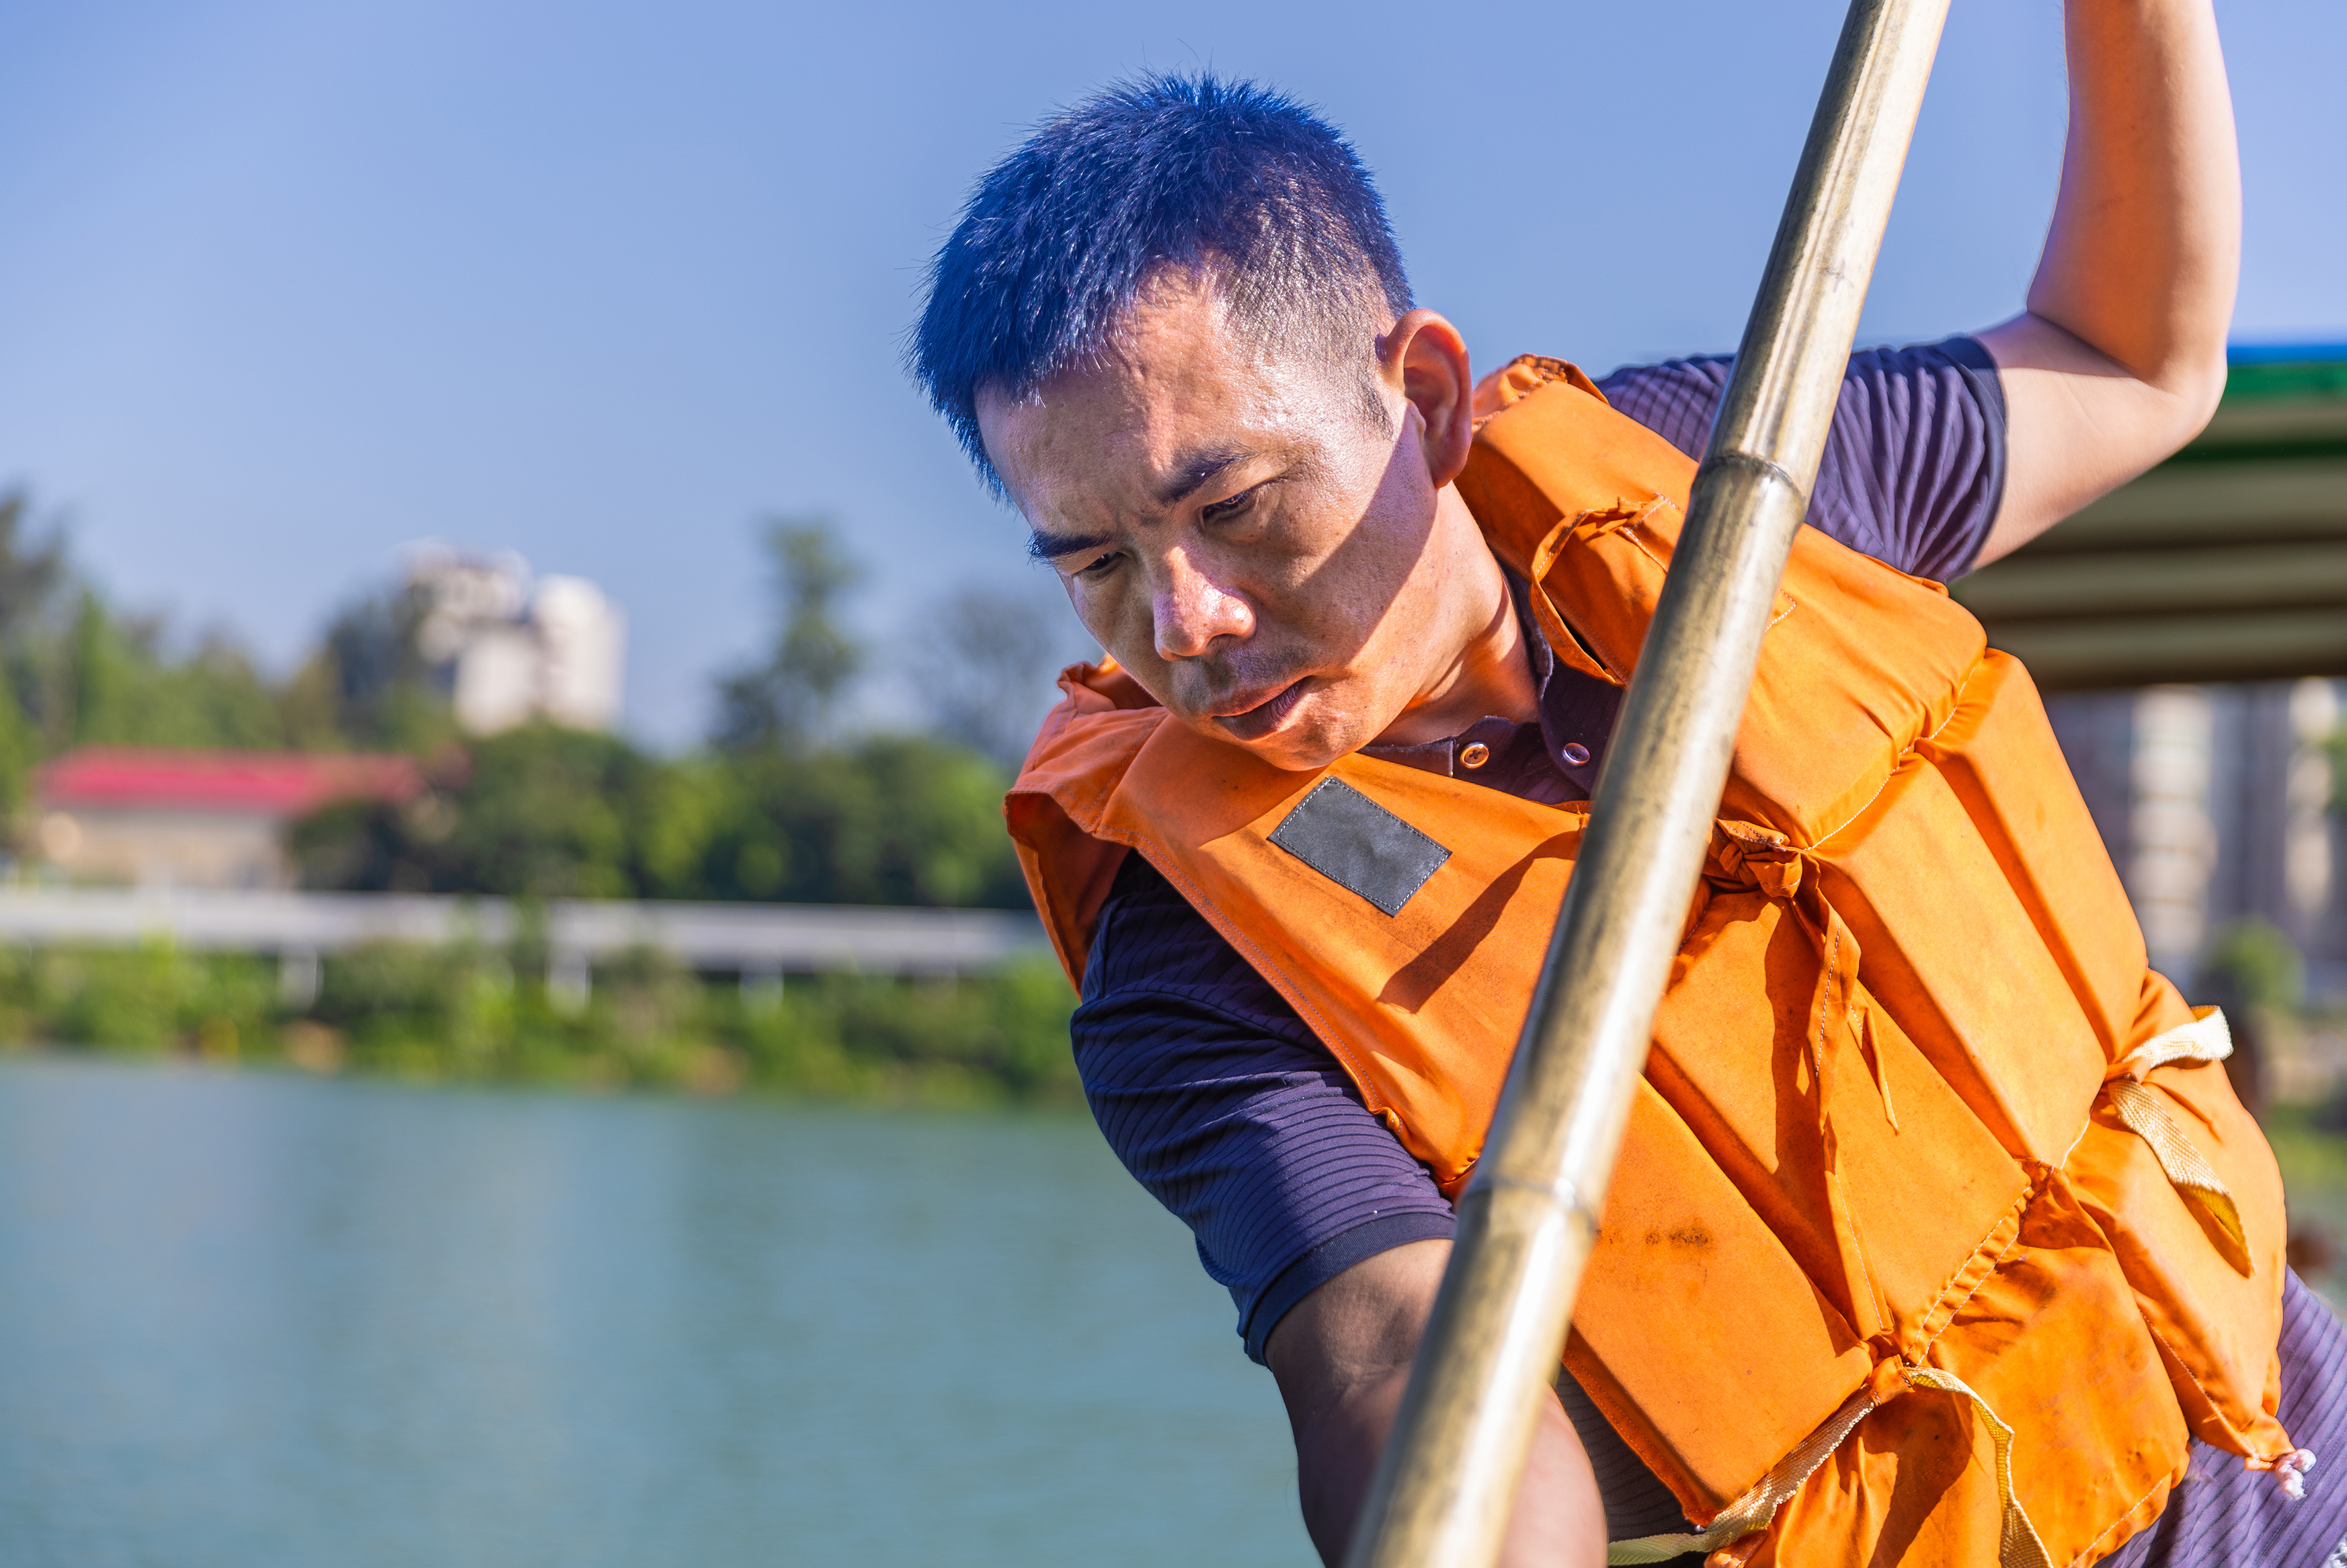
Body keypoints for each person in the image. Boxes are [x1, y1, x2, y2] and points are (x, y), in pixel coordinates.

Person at [912, 4, 2347, 1564]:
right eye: (1099, 565)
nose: (1188, 624)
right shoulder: (1185, 959)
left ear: (1431, 399)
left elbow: (2130, 361)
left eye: (1235, 507)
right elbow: (1395, 1353)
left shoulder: (1721, 487)